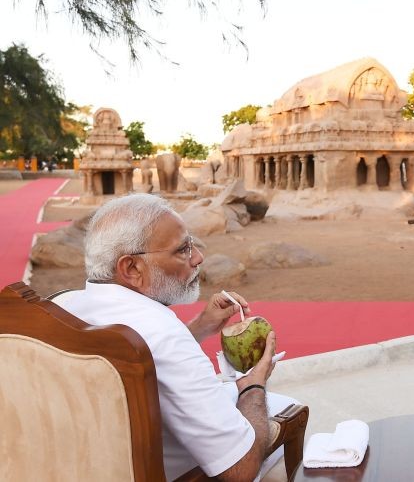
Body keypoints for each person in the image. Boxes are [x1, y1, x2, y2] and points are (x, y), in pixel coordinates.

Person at [56, 193, 298, 481]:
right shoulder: (163, 333)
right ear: (131, 268)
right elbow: (240, 470)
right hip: (165, 471)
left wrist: (199, 327)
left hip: (81, 463)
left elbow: (144, 356)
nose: (198, 257)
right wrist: (252, 387)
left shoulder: (61, 305)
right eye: (183, 250)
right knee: (282, 409)